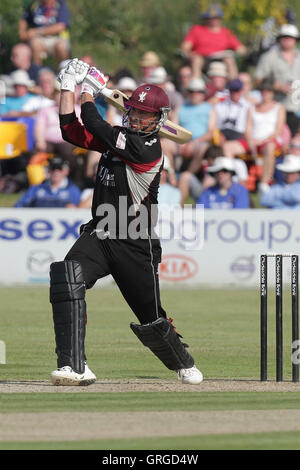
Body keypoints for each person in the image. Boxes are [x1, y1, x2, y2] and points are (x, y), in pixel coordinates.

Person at [49, 58, 203, 386]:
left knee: (151, 318)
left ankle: (183, 362)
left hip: (135, 239)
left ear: (158, 120)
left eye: (144, 114)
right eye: (132, 111)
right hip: (101, 232)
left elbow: (92, 120)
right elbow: (71, 129)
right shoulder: (119, 137)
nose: (135, 117)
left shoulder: (147, 148)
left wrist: (87, 90)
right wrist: (66, 87)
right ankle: (74, 366)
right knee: (67, 276)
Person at [254, 24, 300, 136]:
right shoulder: (269, 57)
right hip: (278, 107)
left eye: (290, 38)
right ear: (279, 39)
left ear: (295, 40)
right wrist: (278, 86)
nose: (287, 40)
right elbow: (258, 79)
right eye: (284, 37)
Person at [181, 3, 247, 79]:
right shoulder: (197, 30)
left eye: (216, 17)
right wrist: (191, 55)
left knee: (229, 59)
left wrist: (241, 52)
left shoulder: (226, 32)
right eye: (211, 17)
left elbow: (240, 48)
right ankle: (196, 83)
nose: (214, 20)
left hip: (220, 59)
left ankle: (234, 83)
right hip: (202, 59)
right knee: (197, 60)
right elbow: (185, 47)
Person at [245, 78, 287, 186]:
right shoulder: (252, 107)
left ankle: (264, 182)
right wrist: (250, 140)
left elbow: (278, 130)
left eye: (268, 91)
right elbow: (248, 128)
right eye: (263, 90)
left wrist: (262, 141)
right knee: (229, 147)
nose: (265, 93)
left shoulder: (279, 108)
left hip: (270, 141)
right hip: (253, 140)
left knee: (269, 147)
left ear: (273, 93)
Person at [19, 0, 71, 66]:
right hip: (40, 39)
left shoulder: (60, 5)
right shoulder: (35, 5)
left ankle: (63, 72)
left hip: (57, 38)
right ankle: (38, 72)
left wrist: (37, 31)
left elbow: (60, 26)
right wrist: (22, 33)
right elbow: (24, 19)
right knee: (35, 43)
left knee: (61, 46)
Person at [14, 155, 81, 207]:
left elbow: (79, 210)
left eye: (59, 168)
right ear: (48, 170)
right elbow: (19, 206)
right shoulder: (36, 189)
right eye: (53, 168)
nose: (56, 171)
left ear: (66, 171)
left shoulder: (73, 190)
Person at [215, 78, 251, 156]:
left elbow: (248, 129)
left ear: (241, 91)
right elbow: (215, 123)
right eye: (232, 91)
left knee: (226, 148)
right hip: (222, 133)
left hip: (239, 135)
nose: (235, 93)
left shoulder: (248, 106)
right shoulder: (220, 105)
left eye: (237, 90)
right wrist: (218, 134)